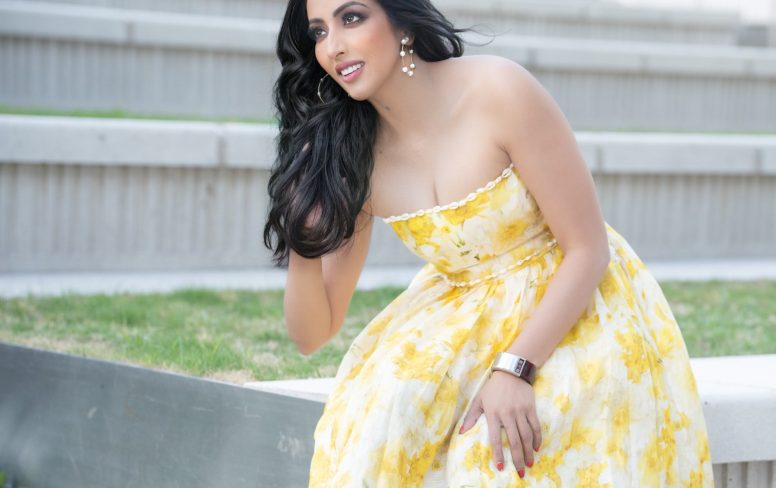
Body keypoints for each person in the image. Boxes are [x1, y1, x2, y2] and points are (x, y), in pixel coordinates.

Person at [263, 0, 715, 486]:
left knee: (497, 452)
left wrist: (516, 369)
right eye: (318, 32)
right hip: (459, 321)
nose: (334, 46)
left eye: (352, 18)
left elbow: (588, 249)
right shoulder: (351, 151)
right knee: (378, 423)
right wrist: (301, 232)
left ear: (401, 23)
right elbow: (313, 333)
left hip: (573, 306)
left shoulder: (499, 89)